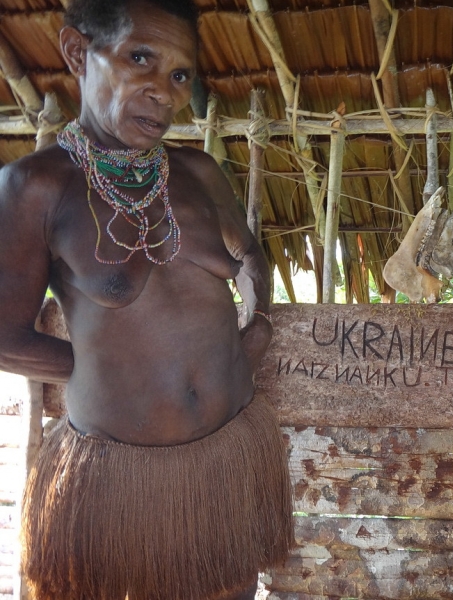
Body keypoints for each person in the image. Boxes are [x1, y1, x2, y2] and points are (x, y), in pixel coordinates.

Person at [0, 0, 293, 598]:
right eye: (142, 59)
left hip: (225, 457)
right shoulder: (38, 185)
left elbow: (247, 255)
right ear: (78, 53)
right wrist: (89, 369)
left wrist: (257, 318)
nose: (165, 92)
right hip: (115, 480)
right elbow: (3, 337)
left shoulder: (199, 171)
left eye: (181, 75)